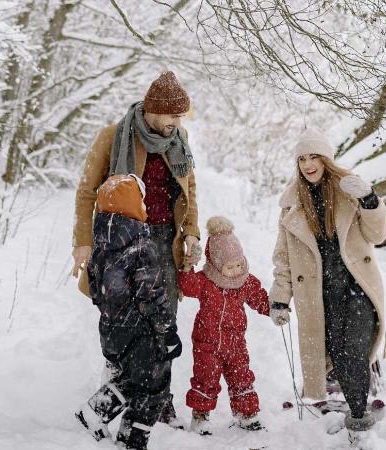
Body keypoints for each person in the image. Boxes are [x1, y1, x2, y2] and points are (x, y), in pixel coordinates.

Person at [70, 71, 201, 426]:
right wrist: (82, 242)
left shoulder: (180, 139)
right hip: (121, 241)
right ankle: (118, 390)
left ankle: (160, 401)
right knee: (124, 322)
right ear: (154, 111)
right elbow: (87, 191)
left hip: (166, 241)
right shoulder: (114, 137)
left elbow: (189, 190)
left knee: (163, 321)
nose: (177, 122)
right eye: (172, 115)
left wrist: (191, 232)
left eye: (180, 116)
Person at [268, 129, 386, 445]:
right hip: (321, 296)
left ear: (326, 160)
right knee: (337, 353)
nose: (308, 164)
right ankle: (357, 388)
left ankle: (359, 423)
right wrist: (280, 298)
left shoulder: (349, 189)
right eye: (302, 159)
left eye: (314, 157)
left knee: (351, 351)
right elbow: (284, 258)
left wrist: (370, 200)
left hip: (357, 287)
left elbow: (378, 235)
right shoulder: (292, 203)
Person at [74, 175, 182, 450]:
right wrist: (167, 330)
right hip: (141, 329)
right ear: (135, 206)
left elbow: (95, 291)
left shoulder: (101, 245)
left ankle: (114, 426)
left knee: (133, 380)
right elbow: (151, 295)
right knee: (153, 384)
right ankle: (128, 436)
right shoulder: (141, 246)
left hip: (110, 328)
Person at [177, 216, 270, 436]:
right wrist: (188, 265)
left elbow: (259, 298)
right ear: (217, 265)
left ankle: (246, 414)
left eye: (239, 263)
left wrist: (275, 307)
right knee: (205, 379)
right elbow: (187, 285)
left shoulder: (245, 281)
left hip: (236, 343)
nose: (236, 270)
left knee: (242, 377)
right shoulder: (206, 281)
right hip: (207, 344)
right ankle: (200, 418)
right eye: (230, 266)